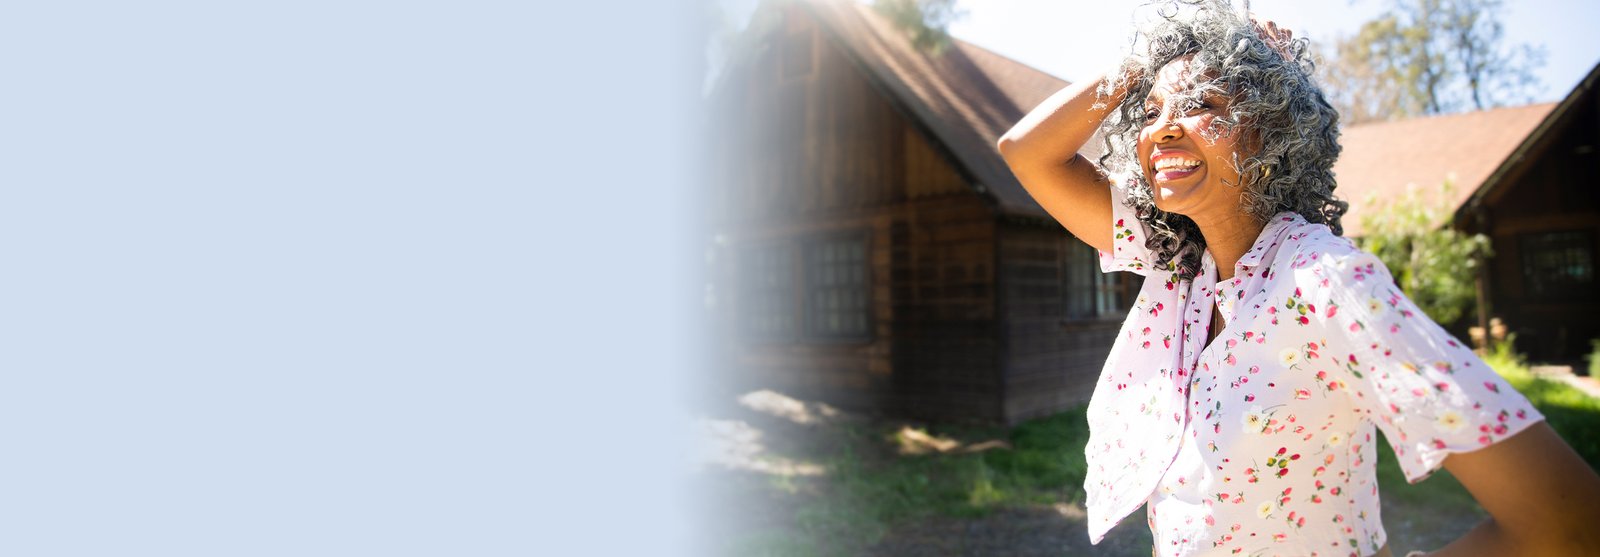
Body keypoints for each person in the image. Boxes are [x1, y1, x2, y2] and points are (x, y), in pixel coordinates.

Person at [995, 1, 1600, 556]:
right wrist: (1149, 59)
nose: (1163, 129)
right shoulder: (1178, 267)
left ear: (1270, 129)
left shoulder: (1325, 283)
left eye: (1201, 104)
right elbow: (1025, 150)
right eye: (1151, 113)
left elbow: (1568, 520)